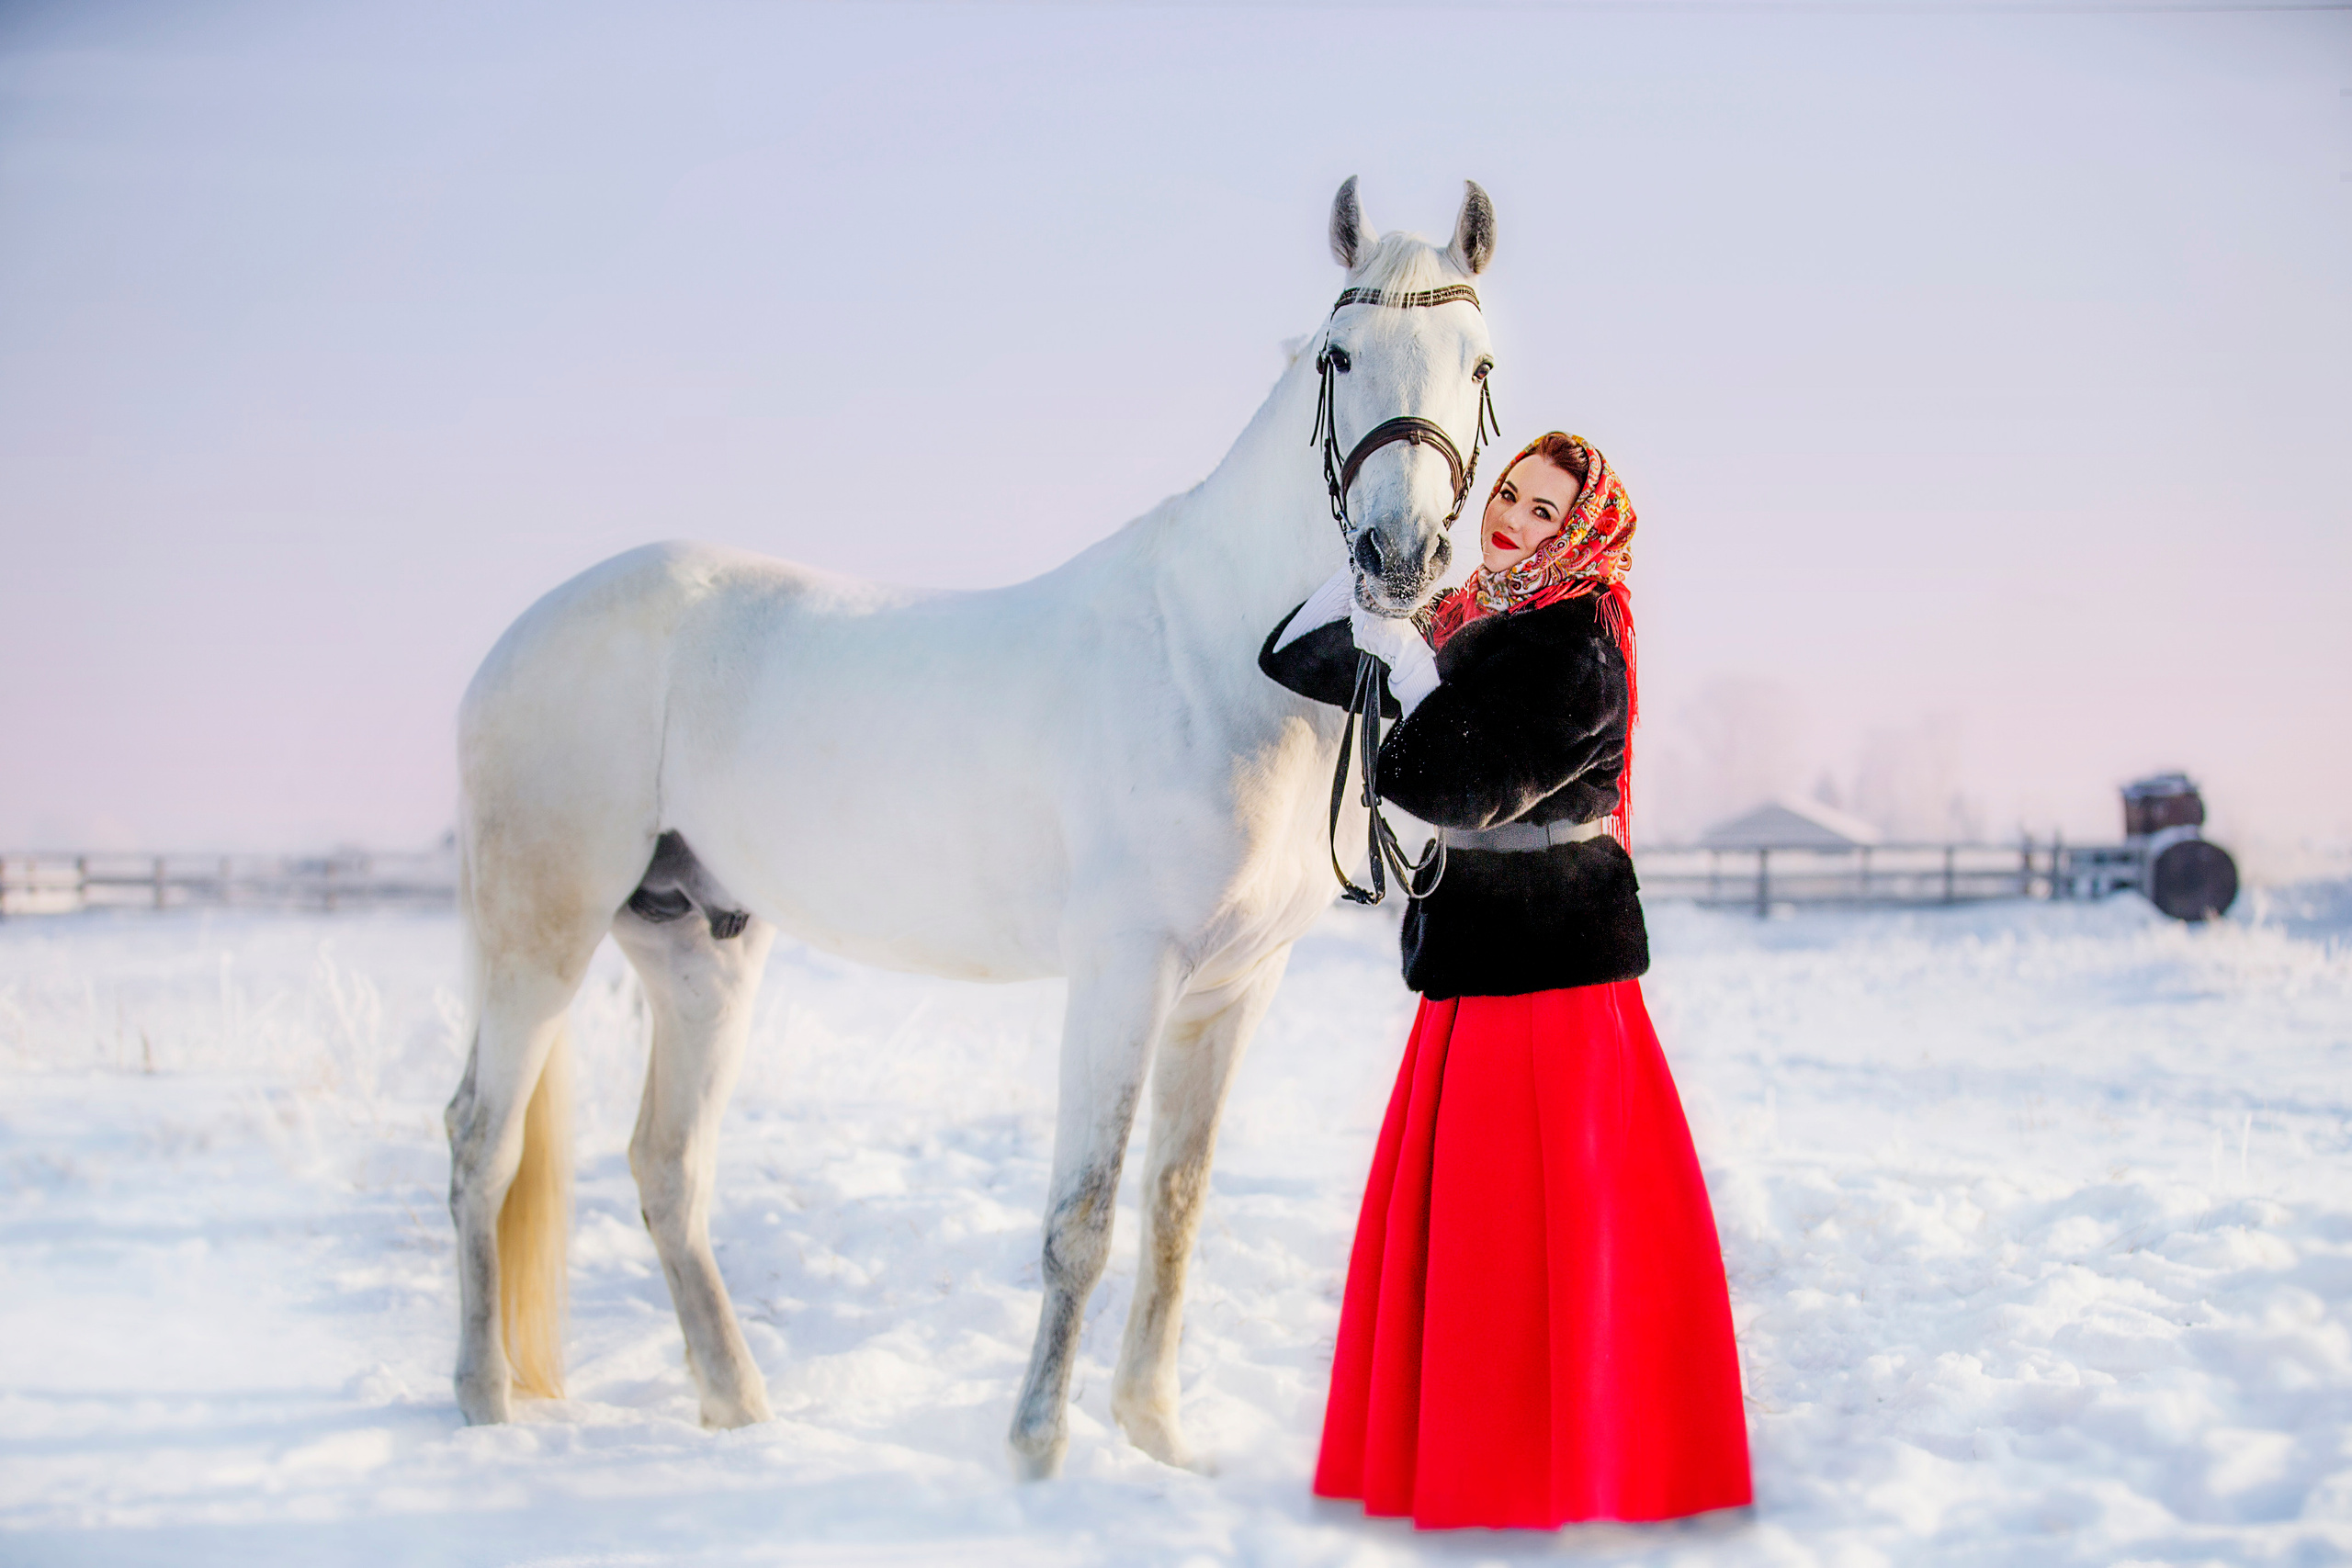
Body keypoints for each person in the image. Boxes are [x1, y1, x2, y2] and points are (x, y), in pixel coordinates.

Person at [1260, 433, 1752, 1529]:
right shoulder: (1483, 617)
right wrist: (1377, 605)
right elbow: (1305, 666)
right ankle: (1474, 1454)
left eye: (1541, 513)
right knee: (1479, 1242)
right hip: (1482, 960)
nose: (1513, 522)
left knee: (1542, 1241)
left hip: (1550, 984)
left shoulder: (1573, 640)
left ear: (1580, 533)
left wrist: (1407, 662)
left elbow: (1450, 782)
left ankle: (1561, 1464)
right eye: (1510, 497)